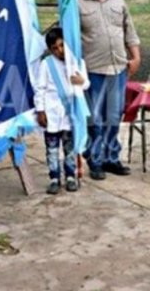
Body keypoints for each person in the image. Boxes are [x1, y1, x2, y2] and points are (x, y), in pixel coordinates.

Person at [78, 0, 141, 180]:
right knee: (95, 119)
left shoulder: (118, 1)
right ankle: (95, 160)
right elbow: (70, 39)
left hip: (118, 68)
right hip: (92, 70)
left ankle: (111, 158)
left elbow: (129, 31)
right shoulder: (76, 3)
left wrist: (135, 57)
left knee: (114, 116)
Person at [35, 26, 89, 194]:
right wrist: (40, 111)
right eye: (55, 48)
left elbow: (86, 83)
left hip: (70, 114)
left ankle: (70, 176)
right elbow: (40, 88)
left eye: (61, 46)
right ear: (50, 50)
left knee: (69, 148)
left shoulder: (77, 62)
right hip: (51, 114)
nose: (59, 51)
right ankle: (54, 178)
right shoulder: (46, 64)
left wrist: (81, 80)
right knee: (52, 149)